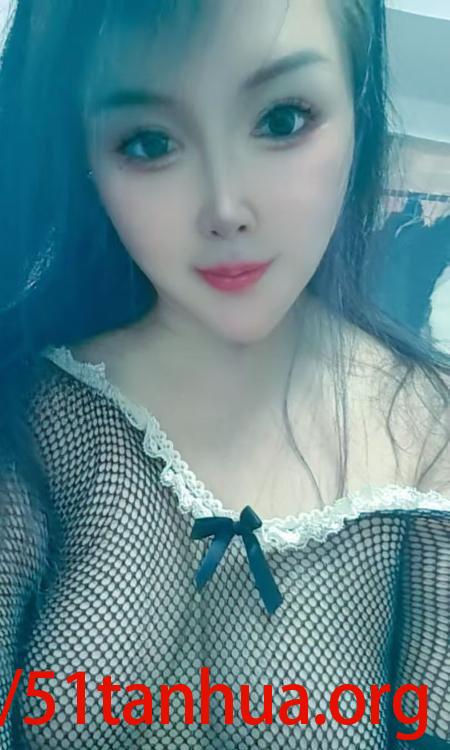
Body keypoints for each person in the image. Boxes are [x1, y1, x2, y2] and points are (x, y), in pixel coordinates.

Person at [0, 1, 449, 748]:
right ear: (85, 160)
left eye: (282, 120)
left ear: (358, 106)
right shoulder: (29, 411)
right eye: (149, 142)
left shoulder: (431, 427)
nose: (225, 209)